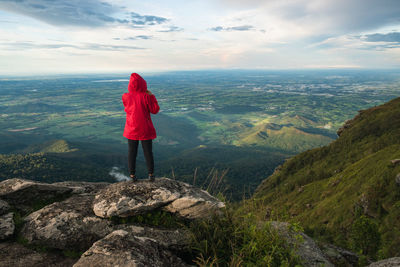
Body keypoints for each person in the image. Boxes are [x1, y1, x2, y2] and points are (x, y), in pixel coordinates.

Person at [122, 73, 160, 182]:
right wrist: (151, 96)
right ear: (143, 85)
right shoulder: (146, 96)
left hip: (131, 128)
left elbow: (128, 108)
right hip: (145, 128)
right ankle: (151, 175)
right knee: (148, 152)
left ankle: (132, 176)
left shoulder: (125, 96)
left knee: (132, 152)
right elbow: (155, 110)